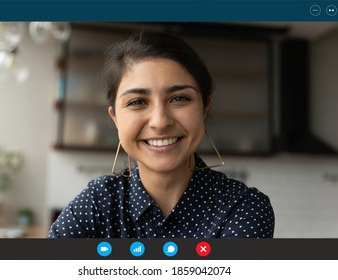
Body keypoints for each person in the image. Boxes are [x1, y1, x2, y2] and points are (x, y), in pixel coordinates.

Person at [47, 31, 275, 238]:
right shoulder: (97, 203)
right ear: (115, 118)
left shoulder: (244, 207)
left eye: (179, 98)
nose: (160, 121)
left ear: (204, 108)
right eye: (137, 102)